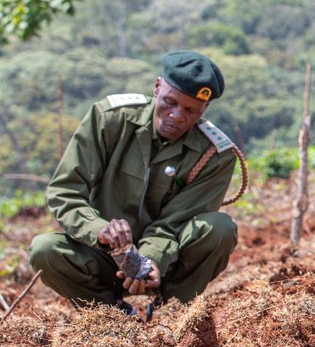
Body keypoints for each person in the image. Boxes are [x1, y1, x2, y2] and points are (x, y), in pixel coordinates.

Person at [30, 51, 239, 318]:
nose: (176, 116)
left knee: (219, 229)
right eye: (170, 102)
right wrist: (100, 230)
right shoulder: (109, 119)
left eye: (190, 111)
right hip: (103, 256)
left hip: (169, 262)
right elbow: (65, 191)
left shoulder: (215, 154)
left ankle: (171, 313)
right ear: (156, 87)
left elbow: (176, 222)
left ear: (204, 109)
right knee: (45, 250)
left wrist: (150, 259)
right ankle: (112, 317)